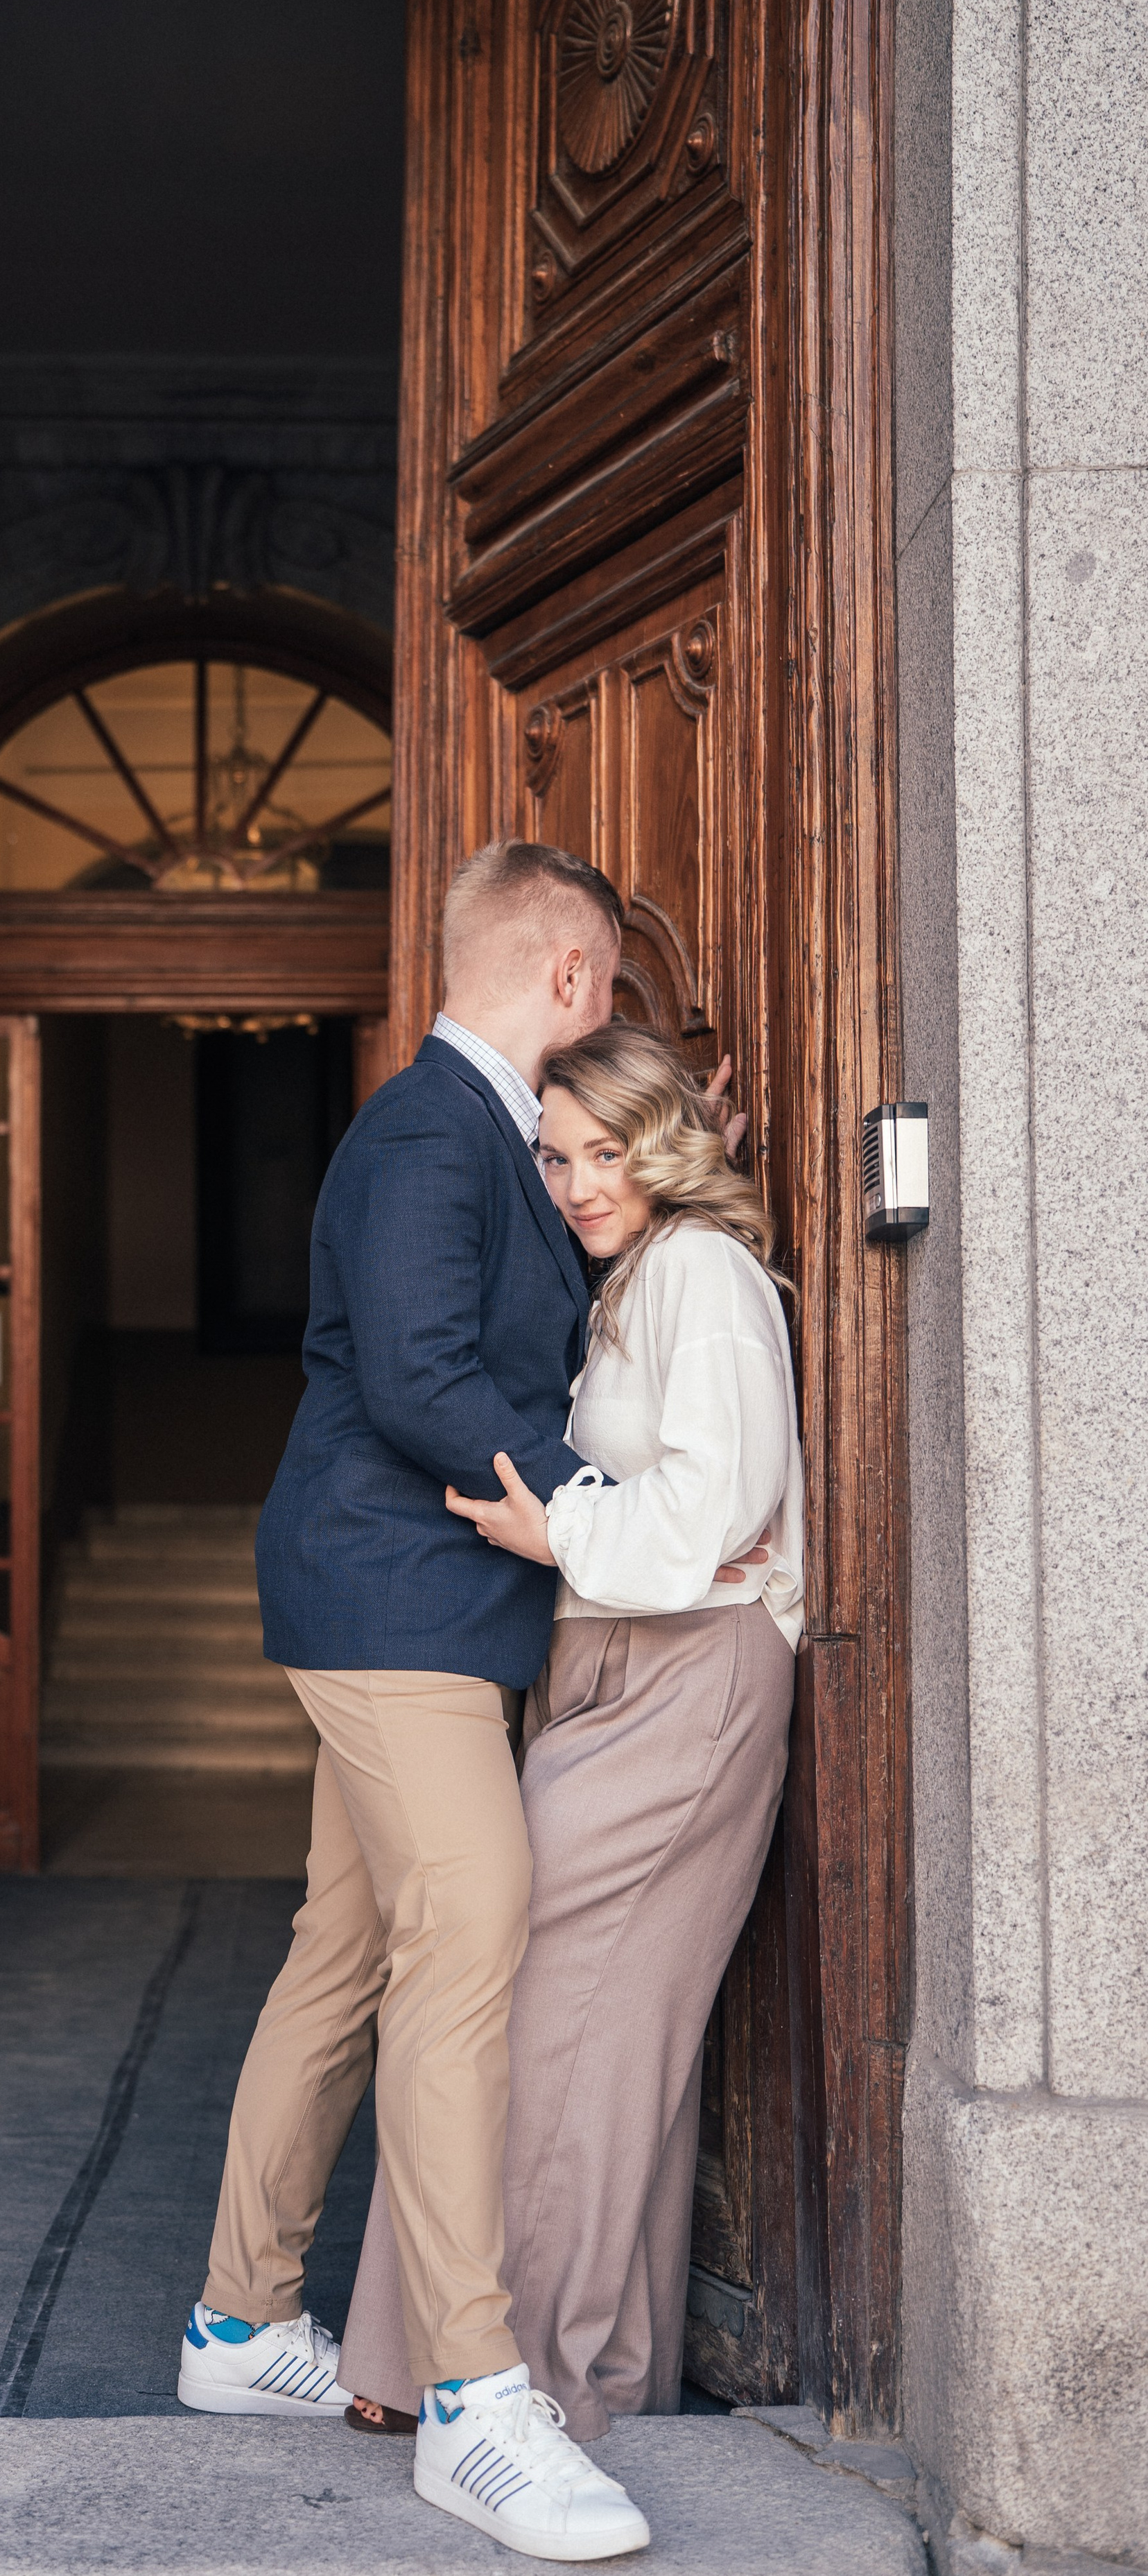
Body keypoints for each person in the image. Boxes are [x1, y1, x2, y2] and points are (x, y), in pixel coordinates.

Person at [177, 841, 724, 2566]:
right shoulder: (430, 1126)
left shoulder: (471, 1127)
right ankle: (477, 2398)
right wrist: (596, 1515)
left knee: (346, 1953)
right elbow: (419, 1380)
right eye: (610, 988)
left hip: (419, 1605)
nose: (610, 1013)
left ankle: (235, 2328)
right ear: (569, 976)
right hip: (390, 1599)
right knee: (471, 1927)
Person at [336, 1017, 803, 2471]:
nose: (577, 1180)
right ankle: (571, 2370)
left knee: (557, 2020)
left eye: (607, 1151)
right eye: (553, 1155)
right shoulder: (628, 1284)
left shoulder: (703, 1279)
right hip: (617, 1666)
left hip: (684, 1682)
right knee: (594, 2040)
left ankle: (502, 2382)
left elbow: (717, 1503)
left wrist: (557, 1529)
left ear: (665, 1144)